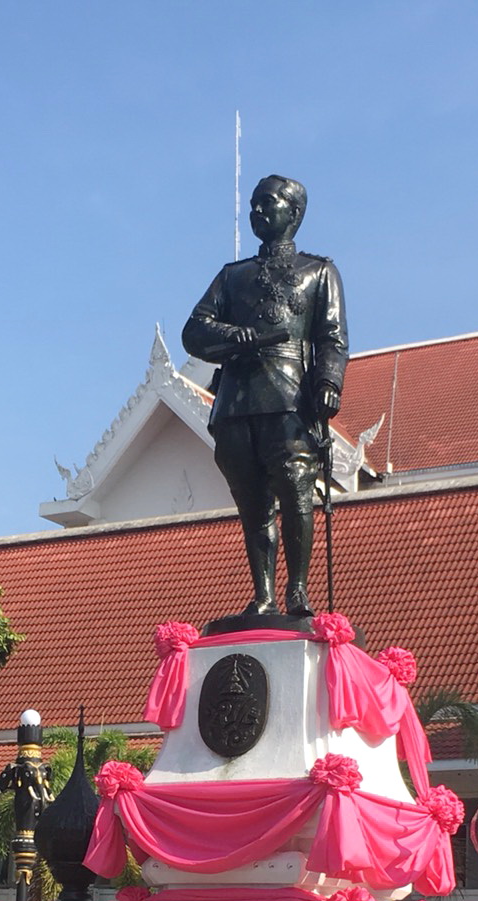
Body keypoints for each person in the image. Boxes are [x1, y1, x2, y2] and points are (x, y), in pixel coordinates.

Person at [182, 174, 348, 618]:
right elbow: (194, 331)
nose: (257, 211)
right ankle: (263, 594)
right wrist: (239, 336)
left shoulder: (319, 272)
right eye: (253, 203)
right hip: (237, 400)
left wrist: (328, 383)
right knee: (253, 502)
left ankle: (296, 590)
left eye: (267, 203)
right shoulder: (233, 277)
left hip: (290, 396)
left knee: (295, 491)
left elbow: (331, 338)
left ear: (293, 213)